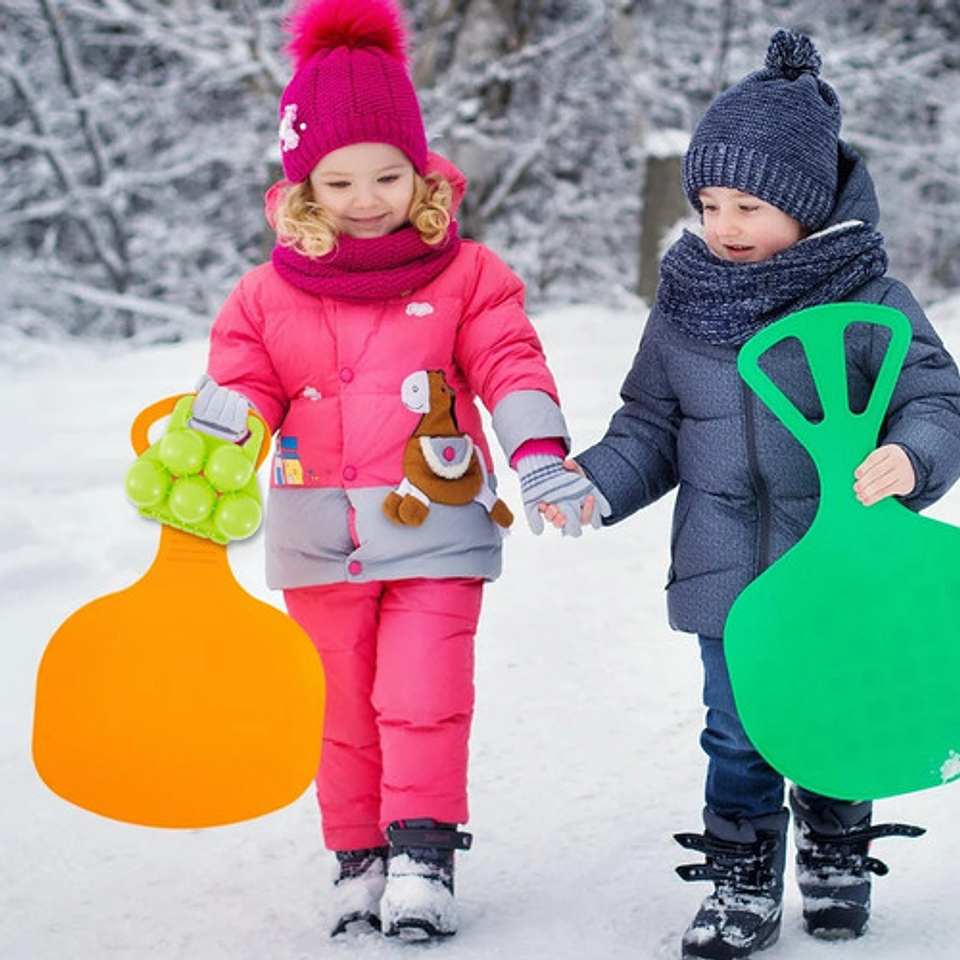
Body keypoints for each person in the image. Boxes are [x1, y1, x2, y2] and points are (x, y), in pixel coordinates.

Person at [178, 0, 603, 942]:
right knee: (339, 705)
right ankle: (356, 858)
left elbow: (511, 364)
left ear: (422, 171)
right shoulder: (262, 295)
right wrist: (207, 449)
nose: (366, 196)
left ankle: (422, 855)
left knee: (424, 693)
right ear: (302, 186)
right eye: (340, 179)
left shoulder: (469, 275)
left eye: (387, 173)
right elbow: (240, 389)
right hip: (316, 532)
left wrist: (538, 452)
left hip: (435, 522)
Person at [538, 29, 960, 960]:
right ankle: (740, 880)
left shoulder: (868, 302)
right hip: (730, 578)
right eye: (709, 201)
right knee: (739, 732)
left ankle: (841, 843)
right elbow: (651, 424)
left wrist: (913, 456)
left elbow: (935, 395)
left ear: (807, 208)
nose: (724, 223)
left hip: (843, 567)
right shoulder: (687, 305)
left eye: (751, 204)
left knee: (835, 706)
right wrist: (599, 484)